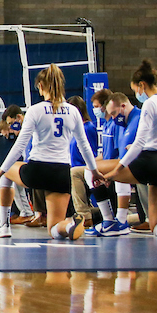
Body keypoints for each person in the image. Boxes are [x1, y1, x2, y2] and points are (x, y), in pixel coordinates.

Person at [0, 64, 101, 240]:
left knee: (7, 172)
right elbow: (84, 145)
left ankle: (4, 225)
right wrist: (94, 171)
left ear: (40, 86)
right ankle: (69, 224)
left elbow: (19, 146)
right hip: (62, 172)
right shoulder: (73, 111)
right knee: (54, 228)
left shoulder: (35, 110)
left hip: (37, 170)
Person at [92, 60, 157, 238]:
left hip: (149, 161)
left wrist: (116, 171)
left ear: (142, 85)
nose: (137, 94)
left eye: (136, 89)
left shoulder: (150, 103)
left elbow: (139, 143)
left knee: (89, 172)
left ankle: (110, 221)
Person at [89, 91, 143, 236]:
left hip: (139, 164)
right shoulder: (122, 121)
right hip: (128, 163)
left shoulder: (139, 118)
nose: (113, 118)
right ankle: (112, 220)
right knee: (91, 168)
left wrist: (112, 173)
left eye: (114, 113)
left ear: (123, 106)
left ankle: (118, 220)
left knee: (96, 170)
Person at [67, 95, 98, 228]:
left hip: (83, 168)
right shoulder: (74, 130)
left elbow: (91, 152)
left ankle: (85, 215)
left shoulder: (88, 128)